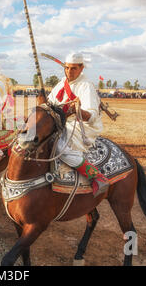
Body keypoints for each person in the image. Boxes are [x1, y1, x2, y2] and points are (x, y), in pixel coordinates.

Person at [47, 53, 109, 197]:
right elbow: (50, 103)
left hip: (81, 125)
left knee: (59, 146)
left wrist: (77, 111)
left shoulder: (86, 86)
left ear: (81, 68)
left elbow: (91, 116)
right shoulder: (62, 83)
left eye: (73, 68)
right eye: (67, 68)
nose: (69, 72)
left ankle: (96, 176)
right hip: (61, 122)